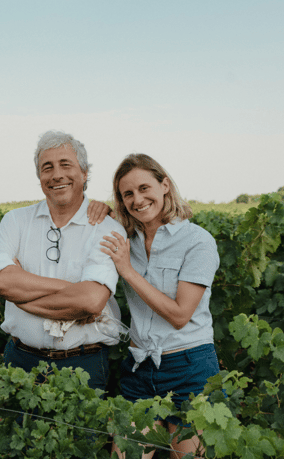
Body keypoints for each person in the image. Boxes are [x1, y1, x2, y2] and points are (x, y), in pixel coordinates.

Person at [0, 130, 127, 394]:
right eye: (47, 168)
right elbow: (0, 281)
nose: (56, 175)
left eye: (66, 165)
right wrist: (72, 289)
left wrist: (22, 297)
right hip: (20, 361)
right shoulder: (15, 221)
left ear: (84, 174)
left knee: (81, 435)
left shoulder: (107, 227)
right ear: (40, 178)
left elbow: (91, 302)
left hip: (83, 364)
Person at [100, 153, 220, 459]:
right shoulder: (127, 238)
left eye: (144, 188)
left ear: (164, 184)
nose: (137, 200)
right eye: (127, 194)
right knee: (123, 455)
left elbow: (180, 315)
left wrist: (127, 270)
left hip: (190, 367)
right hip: (139, 367)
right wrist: (98, 208)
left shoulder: (198, 241)